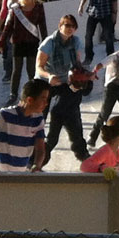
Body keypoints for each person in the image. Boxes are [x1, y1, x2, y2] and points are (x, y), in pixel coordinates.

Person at [35, 14, 91, 162]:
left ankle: (82, 154)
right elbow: (39, 67)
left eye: (73, 26)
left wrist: (86, 75)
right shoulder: (50, 42)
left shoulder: (76, 42)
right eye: (66, 25)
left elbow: (77, 64)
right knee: (37, 121)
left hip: (66, 83)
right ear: (60, 26)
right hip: (45, 83)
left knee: (71, 116)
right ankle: (32, 155)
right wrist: (49, 76)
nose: (70, 29)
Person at [0, 78, 51, 177]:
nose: (46, 103)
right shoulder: (3, 116)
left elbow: (40, 148)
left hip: (17, 177)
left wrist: (37, 165)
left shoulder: (38, 119)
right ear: (30, 100)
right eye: (43, 99)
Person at [0, 0, 48, 104]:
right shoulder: (16, 8)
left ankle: (33, 93)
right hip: (18, 41)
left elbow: (42, 25)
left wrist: (46, 43)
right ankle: (13, 94)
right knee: (17, 70)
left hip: (32, 42)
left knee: (31, 69)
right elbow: (8, 26)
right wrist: (1, 42)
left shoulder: (39, 7)